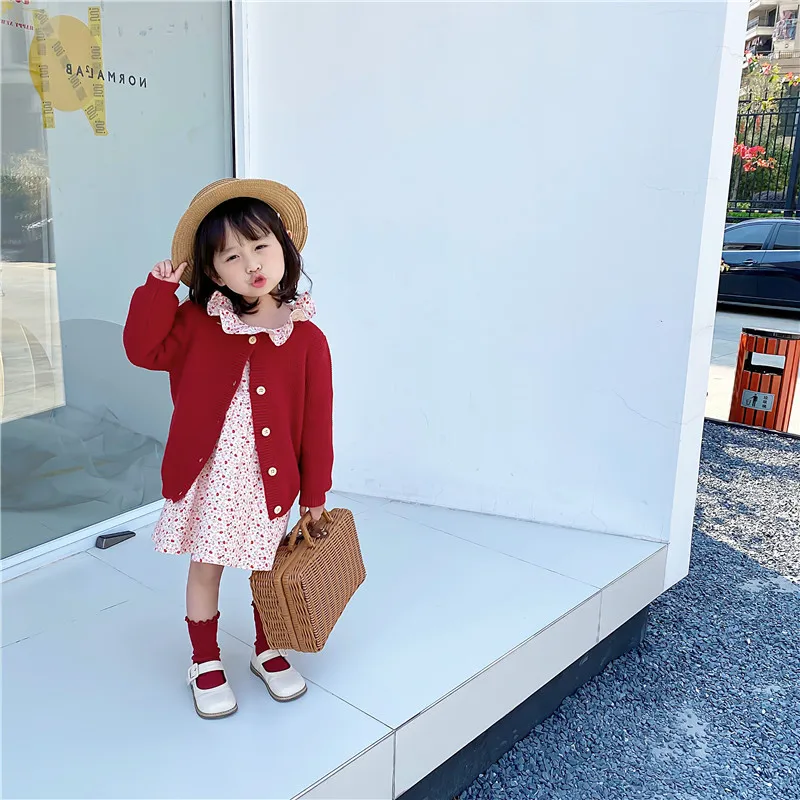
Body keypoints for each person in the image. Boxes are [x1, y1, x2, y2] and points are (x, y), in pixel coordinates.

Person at [123, 179, 333, 720]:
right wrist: (158, 291)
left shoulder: (306, 337)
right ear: (215, 273)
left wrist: (315, 493)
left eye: (261, 246)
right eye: (232, 257)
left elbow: (317, 422)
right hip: (212, 478)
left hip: (271, 480)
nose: (252, 264)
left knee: (268, 567)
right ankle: (205, 660)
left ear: (285, 247)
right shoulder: (199, 321)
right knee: (207, 568)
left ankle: (268, 647)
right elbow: (142, 350)